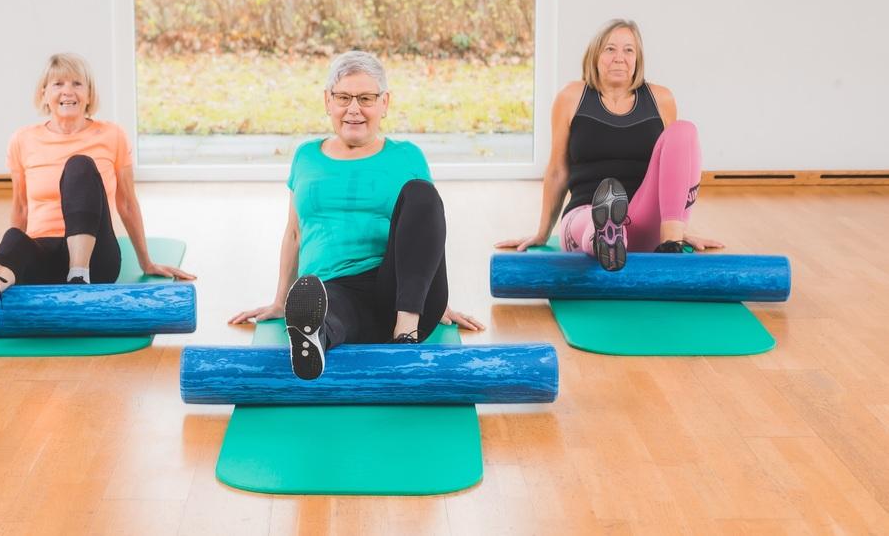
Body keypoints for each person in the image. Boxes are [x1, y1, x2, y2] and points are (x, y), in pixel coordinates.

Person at [229, 50, 484, 380]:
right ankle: (313, 337)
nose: (353, 109)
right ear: (328, 101)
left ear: (384, 103)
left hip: (397, 291)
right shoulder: (306, 156)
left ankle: (405, 334)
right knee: (328, 313)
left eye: (365, 98)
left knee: (422, 194)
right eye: (343, 98)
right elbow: (294, 232)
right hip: (331, 288)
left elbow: (426, 229)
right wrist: (280, 300)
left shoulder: (407, 156)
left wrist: (433, 299)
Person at [0, 53, 194, 327]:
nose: (68, 91)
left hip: (96, 259)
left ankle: (78, 276)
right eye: (58, 84)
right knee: (13, 237)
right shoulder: (22, 140)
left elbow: (127, 204)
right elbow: (21, 207)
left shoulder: (112, 135)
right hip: (46, 254)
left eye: (77, 84)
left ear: (89, 94)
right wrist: (14, 253)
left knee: (79, 165)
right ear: (44, 93)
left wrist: (146, 262)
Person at [496, 19, 723, 269]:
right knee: (595, 222)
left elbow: (676, 169)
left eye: (629, 50)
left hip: (642, 217)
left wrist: (677, 226)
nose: (619, 58)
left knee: (684, 131)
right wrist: (542, 233)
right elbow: (557, 171)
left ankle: (671, 245)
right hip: (584, 211)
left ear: (637, 59)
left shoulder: (661, 99)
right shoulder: (571, 97)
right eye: (610, 49)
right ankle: (606, 237)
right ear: (595, 56)